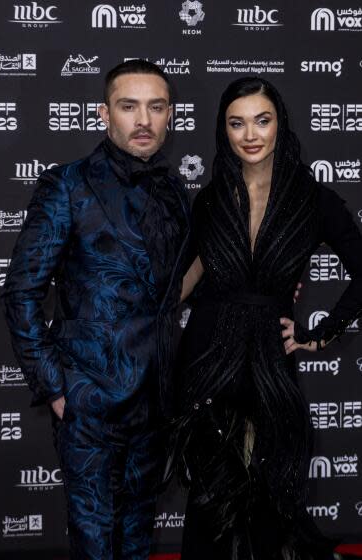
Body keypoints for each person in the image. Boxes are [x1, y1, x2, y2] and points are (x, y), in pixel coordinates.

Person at [1, 59, 190, 560]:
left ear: (170, 115)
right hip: (89, 402)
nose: (143, 120)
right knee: (94, 544)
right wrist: (56, 388)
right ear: (105, 114)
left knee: (137, 540)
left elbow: (177, 286)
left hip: (156, 401)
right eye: (129, 107)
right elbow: (20, 291)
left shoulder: (175, 192)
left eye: (156, 107)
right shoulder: (66, 185)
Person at [173, 77, 362, 559]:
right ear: (224, 131)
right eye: (237, 123)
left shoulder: (311, 197)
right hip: (209, 355)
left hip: (270, 364)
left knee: (272, 490)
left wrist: (319, 336)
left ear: (280, 124)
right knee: (211, 494)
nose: (250, 134)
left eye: (262, 120)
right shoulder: (211, 197)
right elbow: (187, 278)